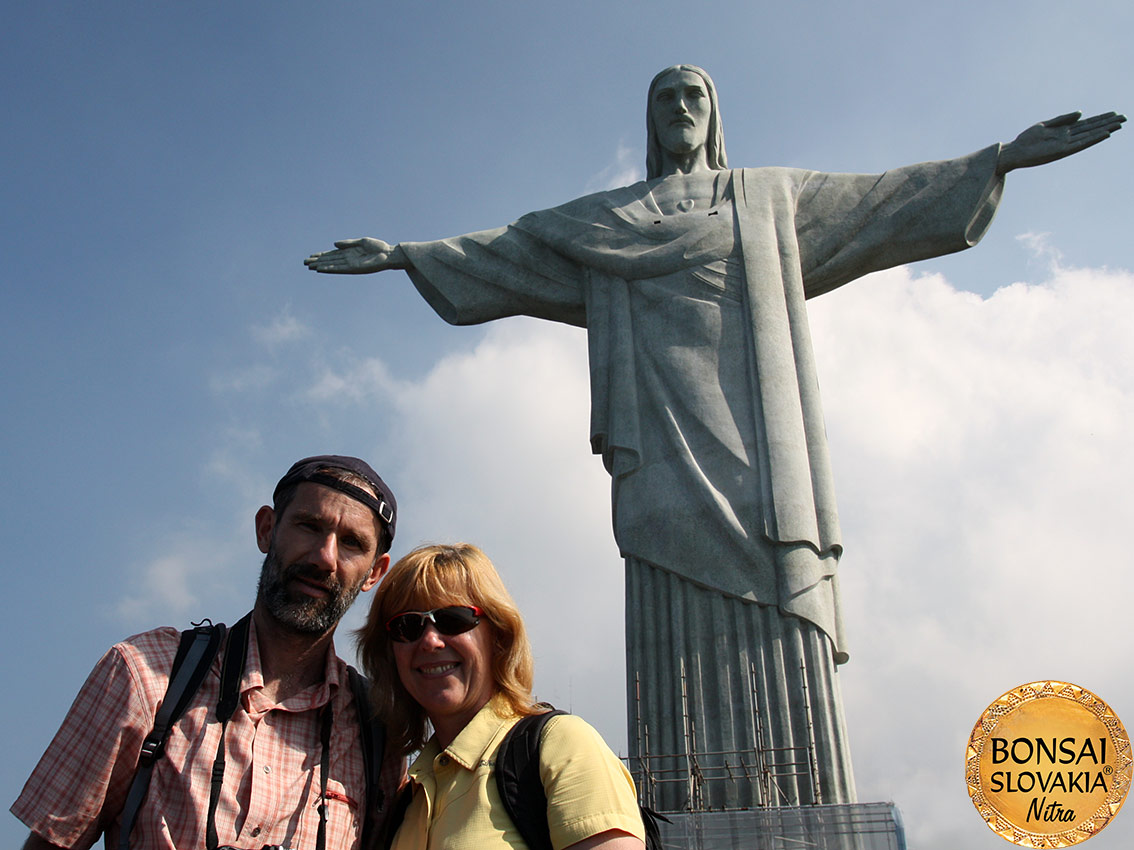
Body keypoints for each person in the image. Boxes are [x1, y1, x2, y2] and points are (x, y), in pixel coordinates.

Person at [305, 66, 1124, 809]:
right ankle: (681, 801)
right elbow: (510, 249)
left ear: (714, 114)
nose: (682, 109)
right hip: (658, 445)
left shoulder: (766, 198)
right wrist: (403, 255)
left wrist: (1000, 159)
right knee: (667, 588)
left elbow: (883, 199)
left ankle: (802, 795)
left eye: (695, 96)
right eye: (667, 99)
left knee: (778, 586)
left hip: (761, 447)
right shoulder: (606, 223)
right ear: (650, 121)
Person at [12, 455, 406, 850]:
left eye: (352, 543)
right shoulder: (148, 675)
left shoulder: (379, 733)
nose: (325, 557)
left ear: (374, 572)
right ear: (267, 529)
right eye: (309, 525)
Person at [357, 543, 645, 850]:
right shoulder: (406, 796)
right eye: (407, 626)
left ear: (499, 636)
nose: (430, 640)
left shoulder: (562, 746)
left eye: (454, 619)